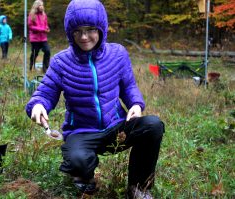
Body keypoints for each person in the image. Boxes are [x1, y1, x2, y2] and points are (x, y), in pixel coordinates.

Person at [25, 0, 164, 198]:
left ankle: (138, 188)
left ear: (102, 29)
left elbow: (129, 86)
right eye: (77, 31)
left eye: (91, 29)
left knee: (153, 125)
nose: (84, 37)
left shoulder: (118, 54)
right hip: (81, 133)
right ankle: (85, 180)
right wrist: (38, 105)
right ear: (69, 32)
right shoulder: (60, 62)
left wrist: (135, 104)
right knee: (77, 161)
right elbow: (46, 91)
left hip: (116, 127)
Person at [28, 0, 50, 73]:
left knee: (47, 51)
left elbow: (46, 24)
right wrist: (42, 29)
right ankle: (31, 66)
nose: (42, 7)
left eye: (42, 5)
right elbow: (30, 26)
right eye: (40, 5)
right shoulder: (31, 15)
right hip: (35, 39)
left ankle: (45, 68)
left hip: (43, 38)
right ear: (36, 6)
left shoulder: (44, 15)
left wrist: (47, 28)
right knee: (35, 53)